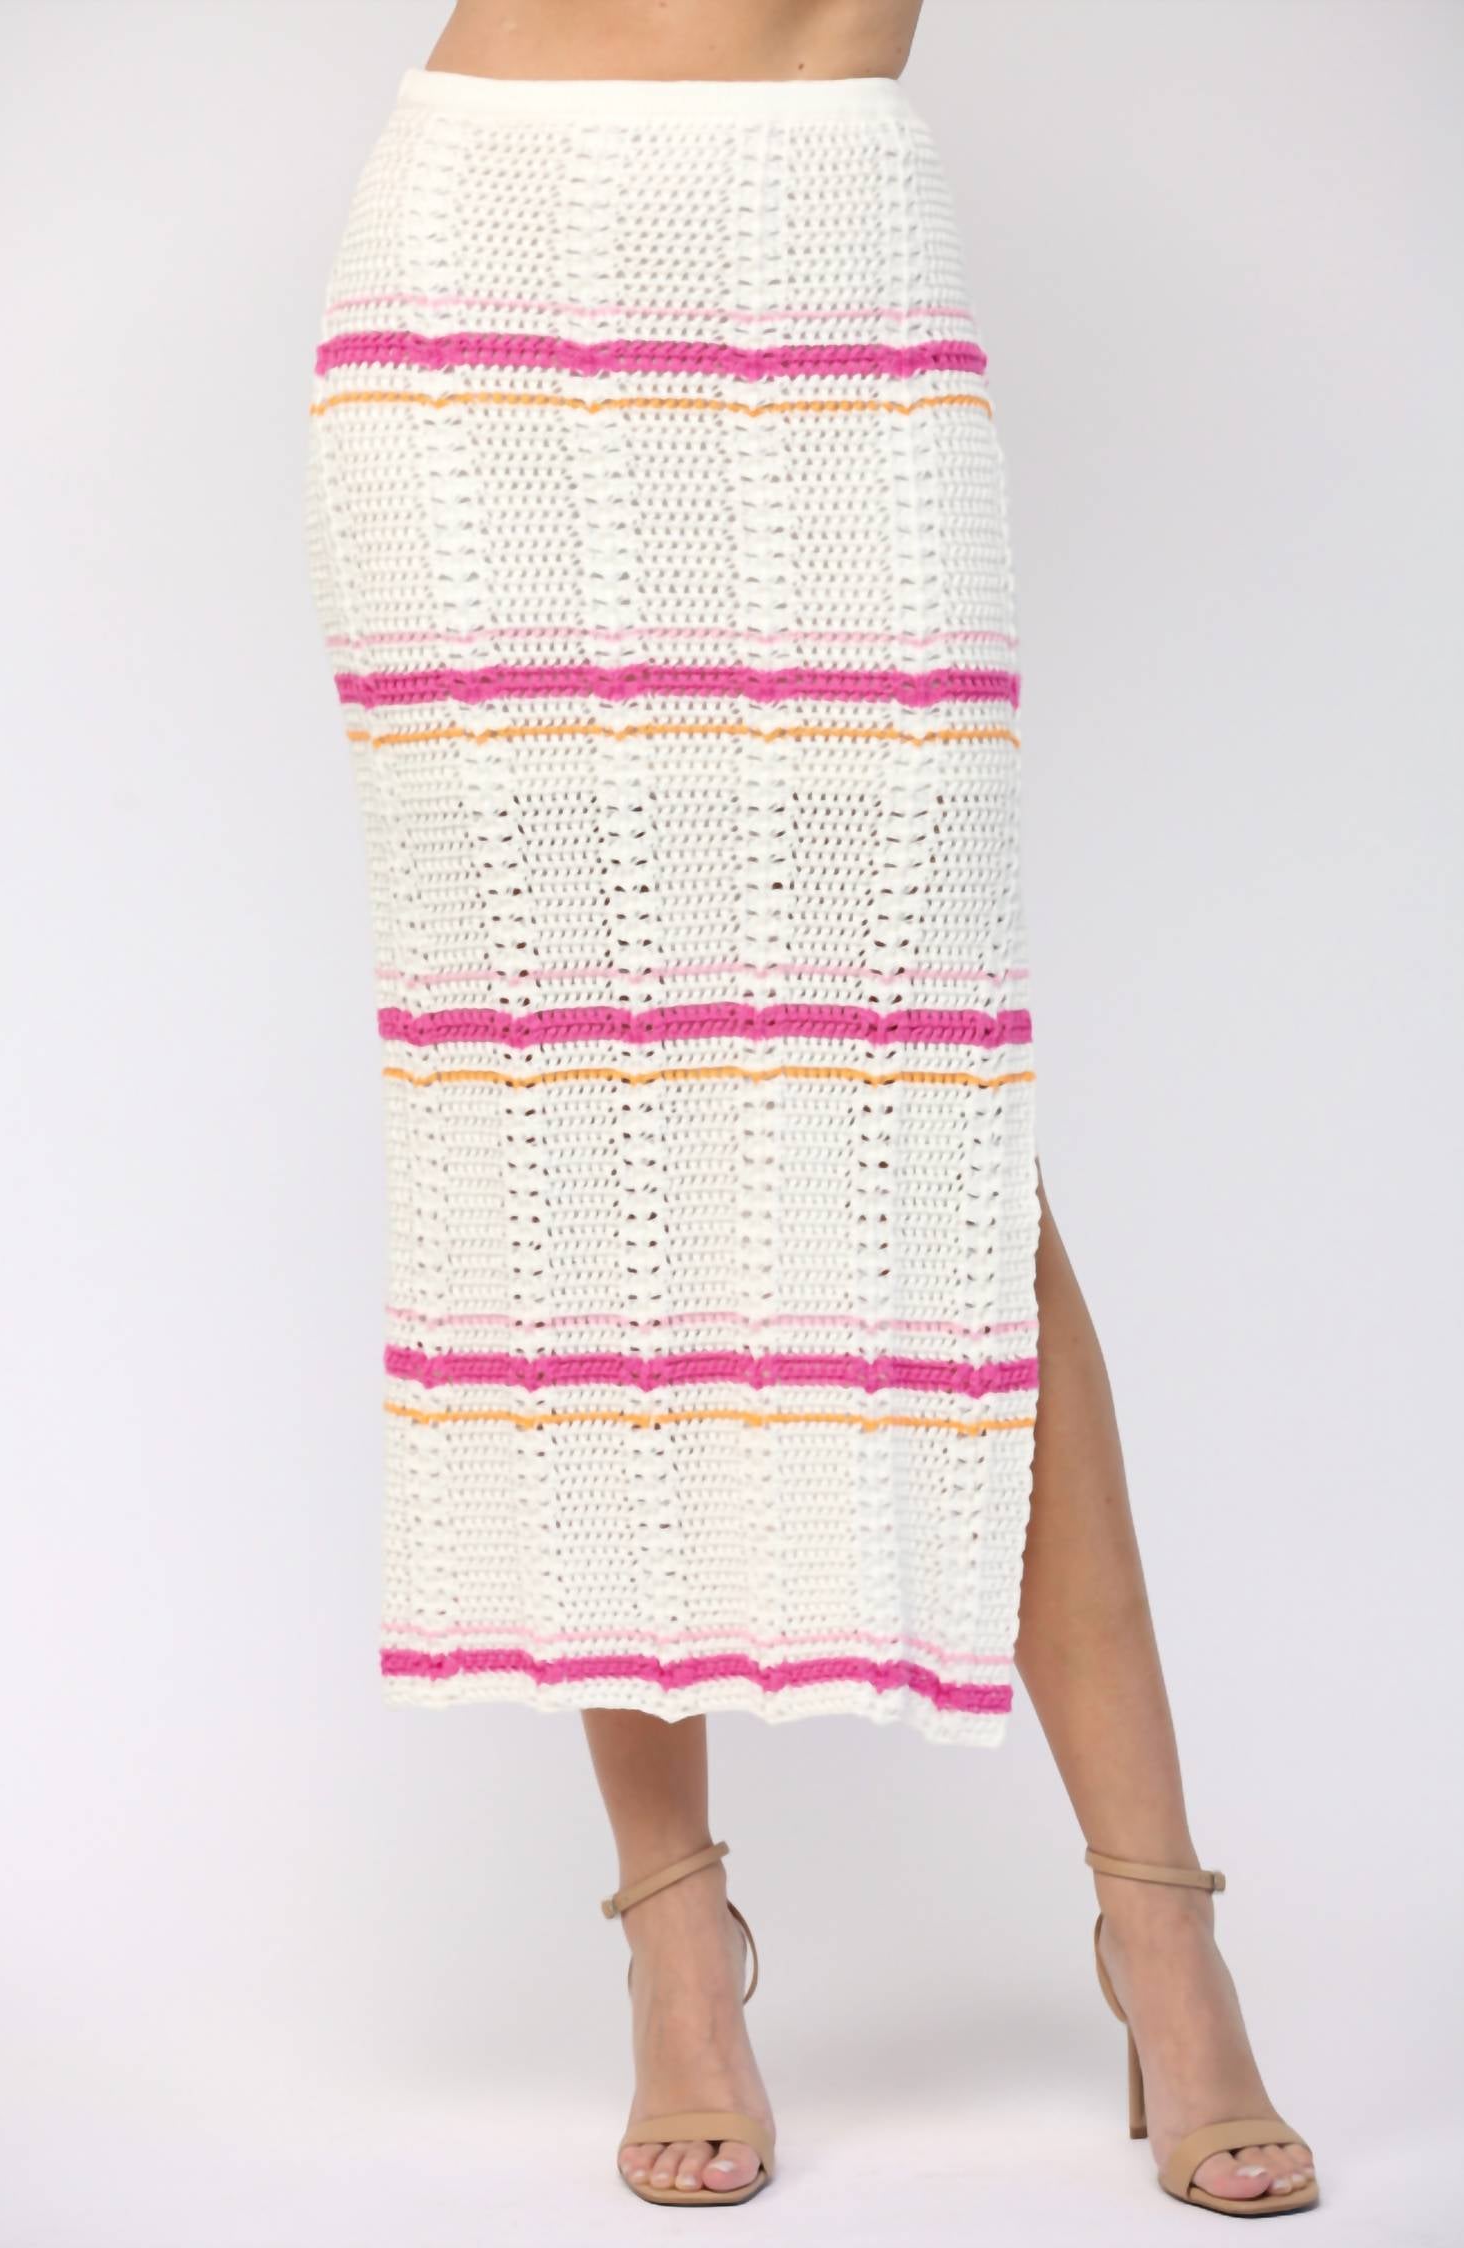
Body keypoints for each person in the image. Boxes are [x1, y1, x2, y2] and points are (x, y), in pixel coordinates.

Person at [303, 0, 1317, 2214]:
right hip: (482, 265)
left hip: (825, 247)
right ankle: (679, 1946)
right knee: (568, 1121)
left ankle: (1162, 1930)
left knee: (932, 1138)